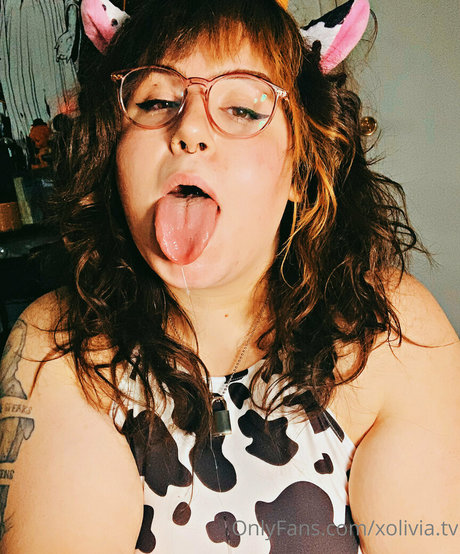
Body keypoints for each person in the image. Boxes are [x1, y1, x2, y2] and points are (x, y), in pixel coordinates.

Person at [1, 0, 459, 552]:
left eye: (242, 108)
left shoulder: (390, 331)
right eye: (156, 101)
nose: (190, 129)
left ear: (302, 170)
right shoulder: (57, 343)